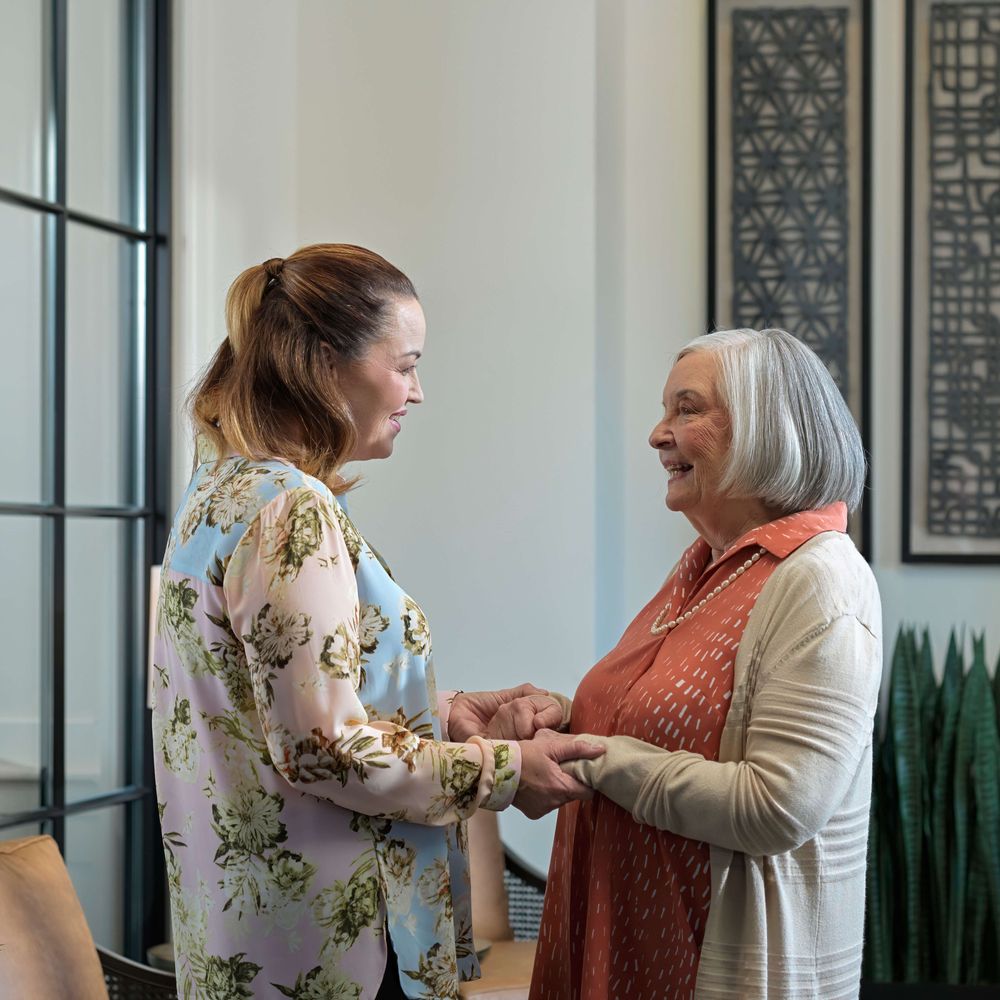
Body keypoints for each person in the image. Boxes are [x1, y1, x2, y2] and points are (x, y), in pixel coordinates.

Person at [150, 243, 602, 1000]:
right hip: (334, 950)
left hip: (250, 936)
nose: (417, 392)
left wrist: (447, 713)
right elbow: (325, 749)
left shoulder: (218, 487)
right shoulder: (291, 507)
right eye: (406, 363)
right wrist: (504, 770)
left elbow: (278, 704)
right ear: (325, 365)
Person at [521, 328, 882, 999]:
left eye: (687, 410)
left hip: (712, 965)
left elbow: (776, 805)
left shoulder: (821, 580)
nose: (659, 434)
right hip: (626, 941)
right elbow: (673, 729)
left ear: (765, 429)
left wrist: (583, 756)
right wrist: (564, 717)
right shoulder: (703, 567)